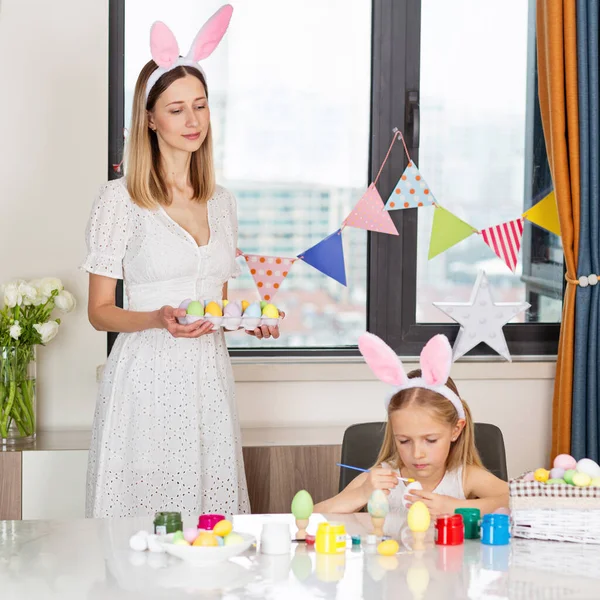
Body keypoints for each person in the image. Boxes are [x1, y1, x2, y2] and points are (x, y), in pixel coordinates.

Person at [82, 5, 277, 517]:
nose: (193, 121)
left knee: (208, 527)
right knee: (142, 529)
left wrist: (244, 322)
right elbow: (99, 310)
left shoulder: (223, 202)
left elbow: (217, 306)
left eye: (201, 105)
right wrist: (155, 318)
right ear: (149, 118)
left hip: (208, 381)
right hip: (144, 380)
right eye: (176, 109)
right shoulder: (120, 200)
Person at [314, 333, 508, 517]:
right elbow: (309, 515)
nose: (417, 454)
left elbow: (522, 500)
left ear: (455, 430)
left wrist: (456, 507)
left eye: (430, 440)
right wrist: (361, 494)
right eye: (404, 441)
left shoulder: (464, 477)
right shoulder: (381, 477)